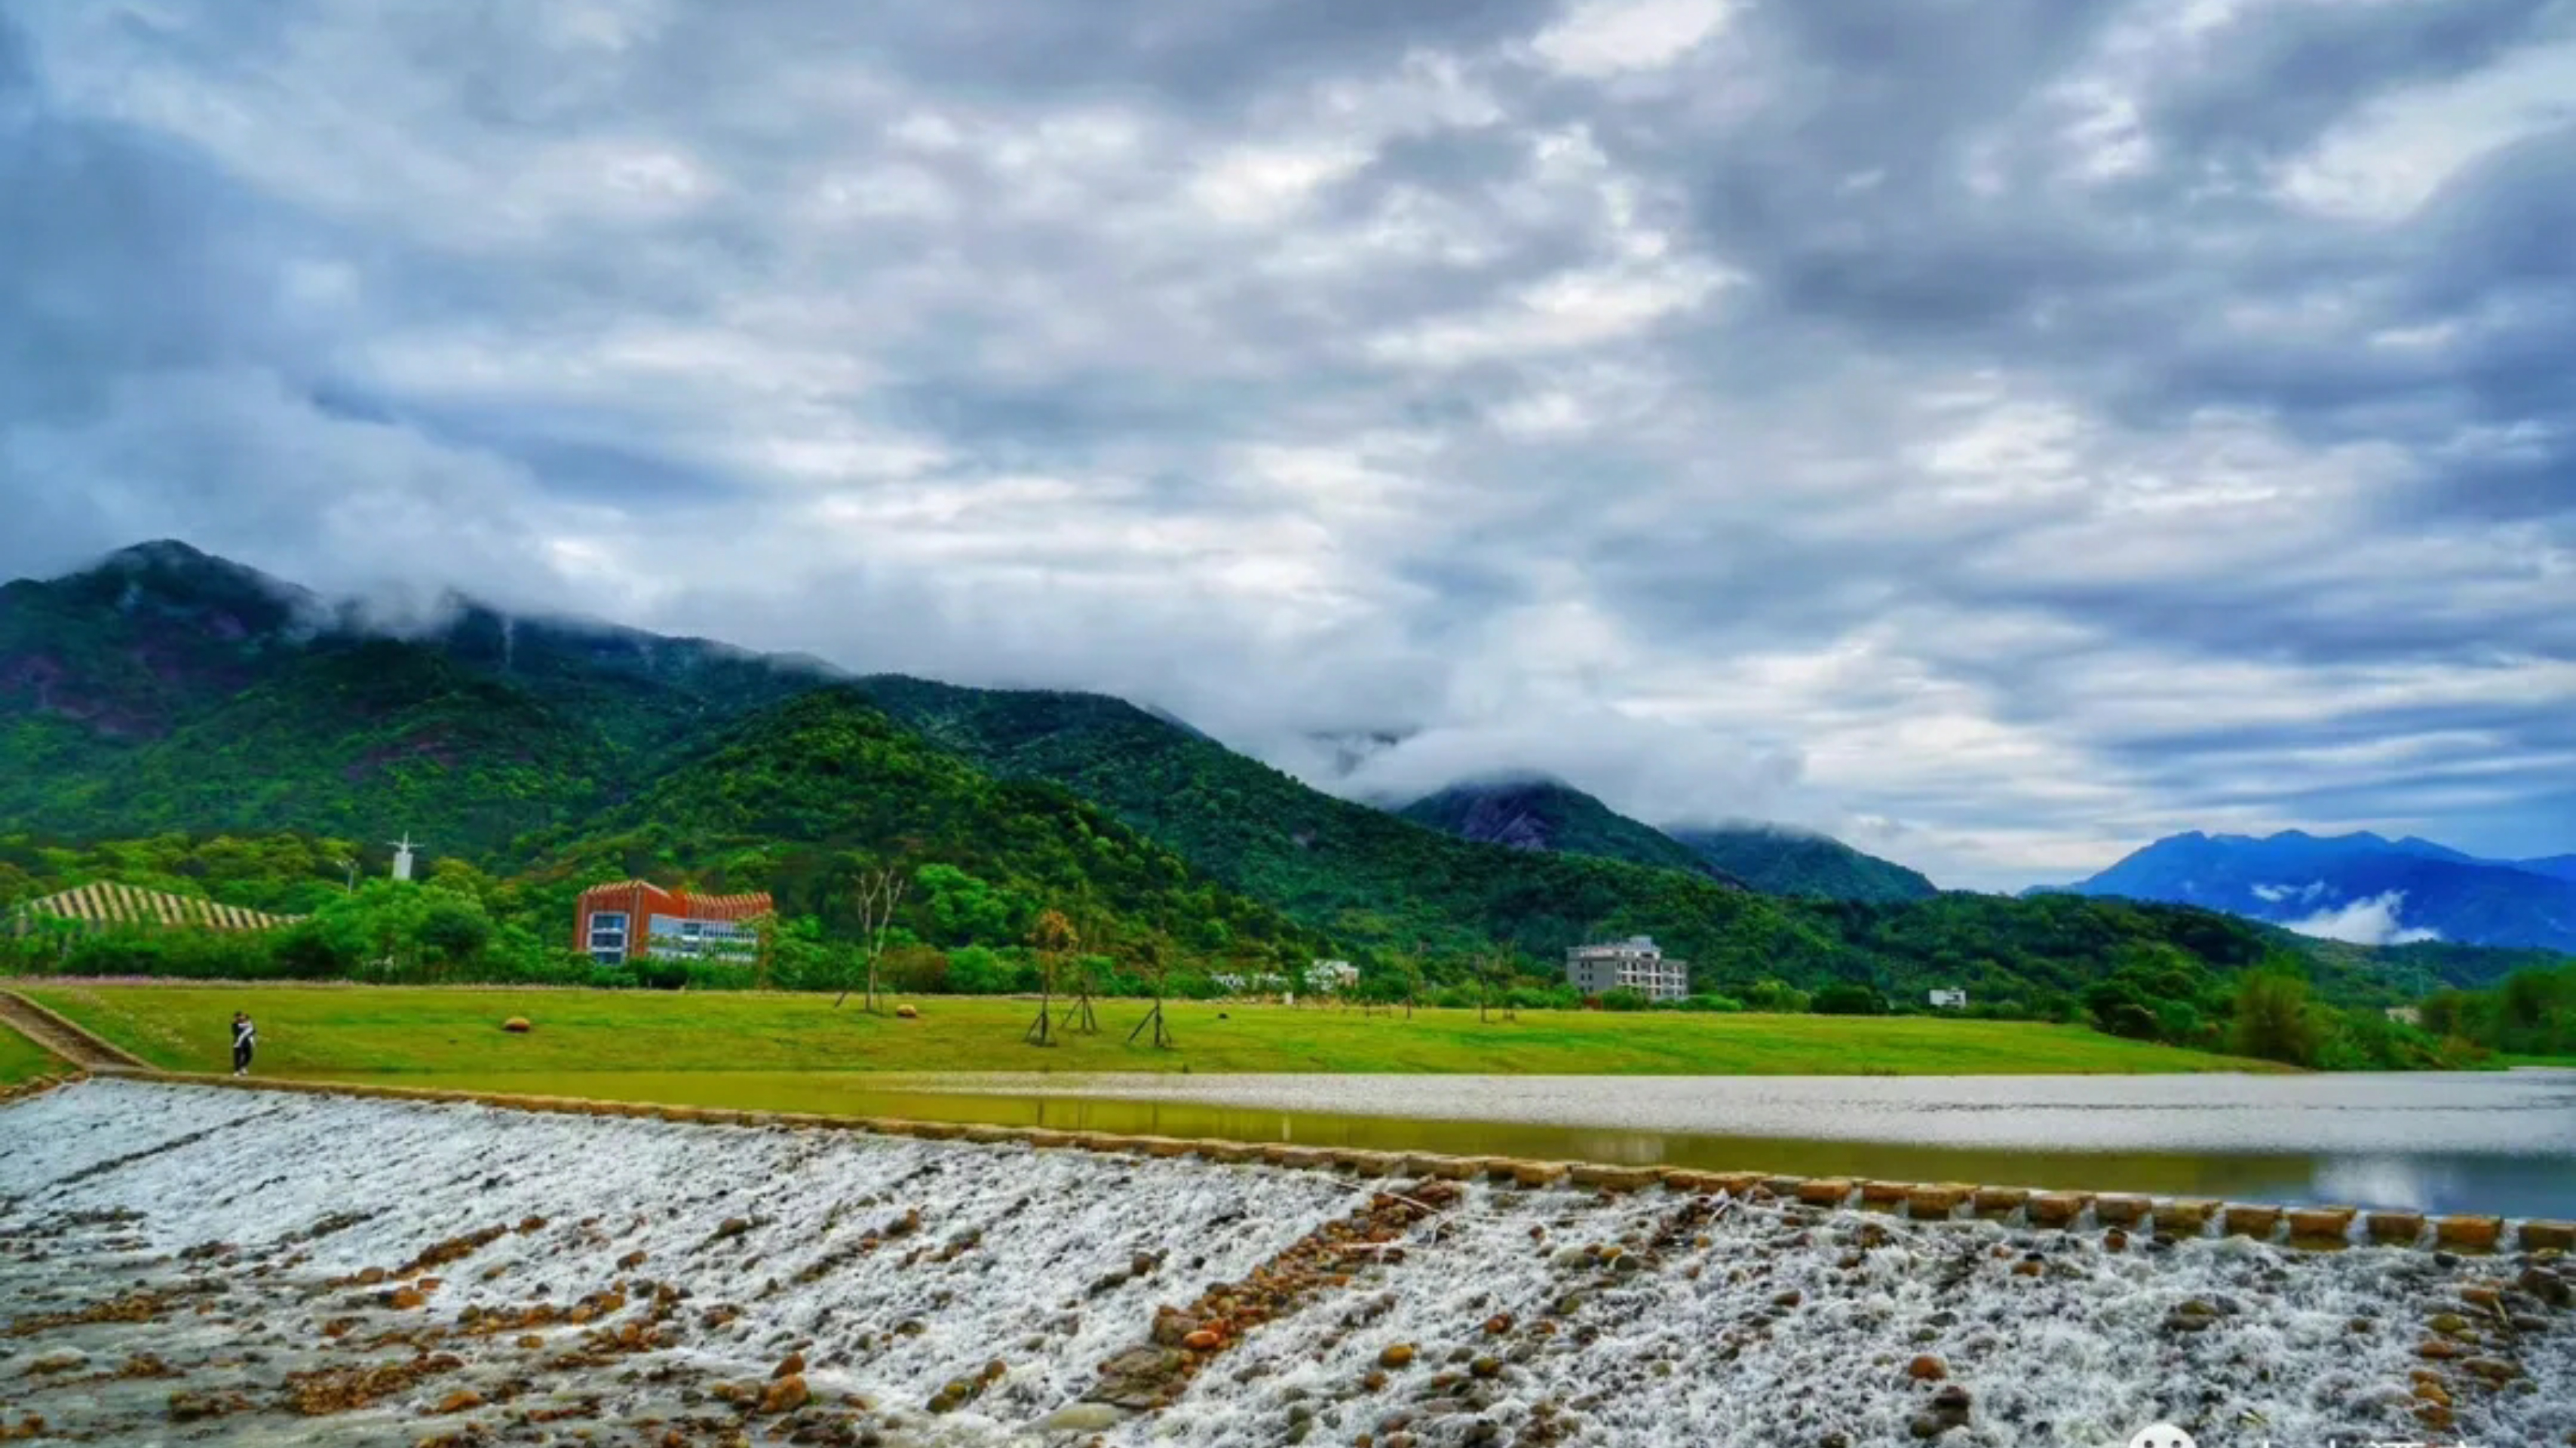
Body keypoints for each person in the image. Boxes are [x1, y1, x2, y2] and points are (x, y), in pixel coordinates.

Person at [230, 1011, 256, 1076]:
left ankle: (243, 1067)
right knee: (237, 1057)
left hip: (246, 1042)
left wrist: (248, 1034)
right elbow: (236, 1033)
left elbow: (253, 1031)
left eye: (242, 1016)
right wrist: (244, 1030)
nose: (242, 1017)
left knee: (249, 1055)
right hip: (238, 1042)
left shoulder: (248, 1023)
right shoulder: (235, 1024)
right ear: (237, 1017)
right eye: (240, 1016)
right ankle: (237, 1071)